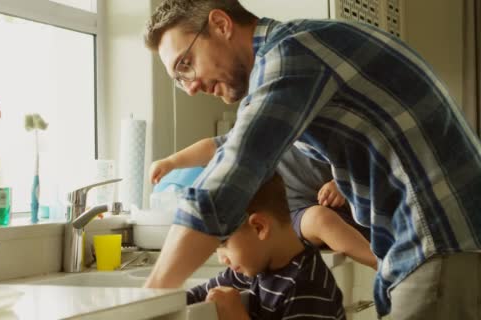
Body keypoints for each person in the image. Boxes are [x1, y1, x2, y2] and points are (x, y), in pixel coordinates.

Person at [142, 1, 481, 319]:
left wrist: (149, 300)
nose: (190, 87)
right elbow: (235, 146)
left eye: (186, 64)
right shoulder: (304, 49)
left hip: (439, 237)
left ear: (220, 24)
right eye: (179, 78)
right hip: (444, 240)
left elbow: (225, 184)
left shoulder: (292, 53)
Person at [150, 141, 376, 269]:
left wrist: (341, 184)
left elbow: (367, 161)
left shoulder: (324, 133)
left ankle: (384, 266)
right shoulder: (256, 135)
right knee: (320, 219)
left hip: (347, 209)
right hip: (290, 214)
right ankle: (382, 266)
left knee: (326, 217)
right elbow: (212, 146)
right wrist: (171, 162)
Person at [186, 174, 345, 319]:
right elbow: (196, 295)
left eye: (223, 244)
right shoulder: (253, 266)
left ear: (259, 227)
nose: (222, 259)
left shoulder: (306, 289)